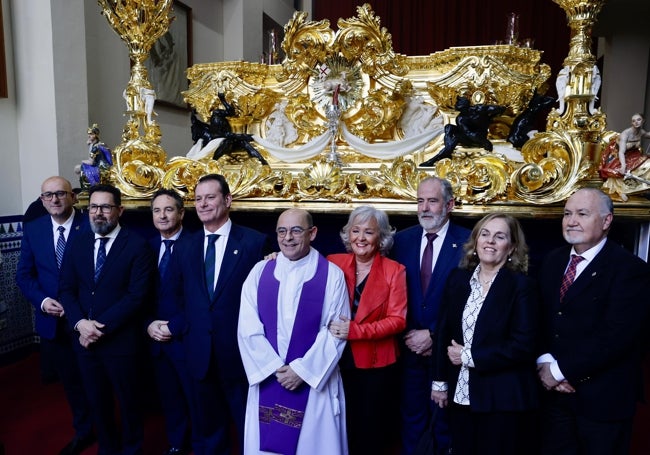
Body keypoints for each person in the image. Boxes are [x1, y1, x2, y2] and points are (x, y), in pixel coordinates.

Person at [536, 188, 650, 455]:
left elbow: (616, 337)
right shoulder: (553, 261)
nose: (571, 221)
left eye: (582, 214)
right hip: (553, 399)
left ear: (607, 221)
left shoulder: (631, 269)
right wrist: (544, 363)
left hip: (602, 403)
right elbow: (539, 317)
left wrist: (558, 372)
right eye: (567, 214)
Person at [166, 173, 269, 454]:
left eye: (210, 197)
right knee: (208, 427)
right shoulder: (185, 245)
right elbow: (176, 295)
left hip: (240, 354)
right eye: (198, 199)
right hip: (198, 351)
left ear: (227, 200)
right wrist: (181, 328)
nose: (203, 204)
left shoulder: (254, 242)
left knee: (248, 426)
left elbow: (267, 302)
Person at [238, 208, 350, 455]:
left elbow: (337, 331)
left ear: (313, 233)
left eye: (296, 230)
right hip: (269, 376)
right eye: (282, 231)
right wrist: (273, 369)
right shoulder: (260, 272)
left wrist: (301, 371)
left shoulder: (332, 276)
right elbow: (247, 327)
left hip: (313, 381)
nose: (288, 237)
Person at [431, 213, 539, 455]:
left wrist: (469, 357)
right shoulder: (458, 279)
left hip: (501, 398)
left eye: (499, 236)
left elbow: (523, 345)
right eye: (485, 234)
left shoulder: (522, 286)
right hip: (460, 394)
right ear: (476, 241)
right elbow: (443, 332)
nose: (490, 241)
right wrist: (439, 381)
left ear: (511, 247)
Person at [59, 184, 156, 455]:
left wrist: (97, 327)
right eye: (93, 207)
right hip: (84, 342)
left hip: (121, 344)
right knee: (97, 403)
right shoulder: (78, 243)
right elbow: (66, 288)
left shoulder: (137, 246)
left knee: (129, 405)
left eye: (105, 207)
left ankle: (132, 450)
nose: (98, 213)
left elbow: (137, 296)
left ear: (119, 210)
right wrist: (80, 324)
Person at [16, 176, 95, 455]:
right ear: (42, 200)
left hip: (87, 321)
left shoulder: (90, 226)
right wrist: (43, 300)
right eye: (48, 196)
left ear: (72, 196)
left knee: (96, 378)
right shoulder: (34, 229)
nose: (54, 200)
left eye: (60, 194)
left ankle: (108, 428)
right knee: (71, 382)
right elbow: (24, 276)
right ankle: (84, 430)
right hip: (53, 323)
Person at [391, 176, 470, 455]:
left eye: (432, 201)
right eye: (420, 200)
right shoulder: (401, 241)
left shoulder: (469, 242)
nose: (424, 207)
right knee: (411, 421)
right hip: (408, 349)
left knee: (445, 424)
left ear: (449, 204)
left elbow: (473, 298)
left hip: (448, 354)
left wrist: (434, 333)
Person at [327, 206, 407, 455]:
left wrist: (355, 331)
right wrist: (274, 257)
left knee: (370, 431)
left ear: (381, 237)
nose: (361, 238)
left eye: (369, 232)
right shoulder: (333, 262)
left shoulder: (395, 270)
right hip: (336, 360)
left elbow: (398, 320)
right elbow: (299, 264)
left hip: (376, 366)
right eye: (355, 230)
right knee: (338, 426)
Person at [146, 188, 197, 455]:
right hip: (155, 340)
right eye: (157, 210)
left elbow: (200, 299)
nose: (162, 215)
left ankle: (200, 446)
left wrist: (172, 327)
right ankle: (177, 444)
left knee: (195, 398)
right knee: (169, 399)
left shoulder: (197, 244)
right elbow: (138, 294)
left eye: (168, 209)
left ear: (181, 213)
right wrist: (149, 325)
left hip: (185, 337)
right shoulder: (147, 246)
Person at [600, 113, 650, 200]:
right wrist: (623, 166)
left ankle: (637, 188)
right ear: (631, 123)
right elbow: (621, 152)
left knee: (646, 163)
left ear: (643, 121)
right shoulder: (626, 134)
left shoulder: (641, 132)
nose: (636, 122)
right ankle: (620, 191)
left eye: (638, 120)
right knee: (621, 172)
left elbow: (647, 135)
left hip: (632, 153)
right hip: (618, 155)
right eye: (634, 121)